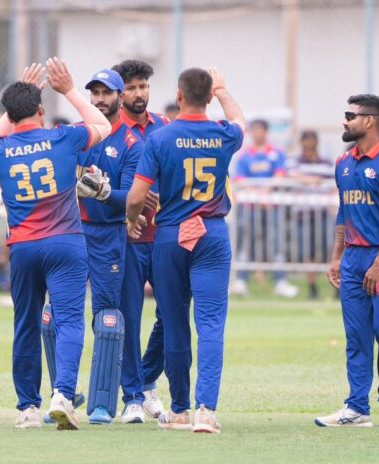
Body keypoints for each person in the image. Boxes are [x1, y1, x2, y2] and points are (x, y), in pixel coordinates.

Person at [0, 59, 111, 430]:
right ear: (41, 111)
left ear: (9, 115)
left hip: (23, 247)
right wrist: (68, 89)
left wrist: (19, 95)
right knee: (69, 320)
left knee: (25, 324)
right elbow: (103, 125)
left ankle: (27, 407)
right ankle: (63, 395)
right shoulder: (62, 137)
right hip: (65, 243)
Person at [126, 67, 245, 433]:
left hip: (171, 235)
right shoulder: (223, 133)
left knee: (174, 320)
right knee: (210, 324)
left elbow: (137, 195)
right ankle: (206, 411)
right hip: (211, 233)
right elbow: (239, 120)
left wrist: (132, 220)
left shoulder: (160, 138)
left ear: (178, 96)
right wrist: (222, 89)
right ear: (208, 98)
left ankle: (179, 409)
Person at [76, 68, 143, 425]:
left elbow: (131, 196)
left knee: (108, 318)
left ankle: (106, 402)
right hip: (70, 233)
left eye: (106, 93)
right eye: (95, 93)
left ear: (119, 97)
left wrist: (102, 192)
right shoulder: (79, 135)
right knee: (54, 316)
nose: (100, 99)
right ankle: (63, 394)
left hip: (108, 235)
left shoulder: (130, 142)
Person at [315, 94, 379, 428]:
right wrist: (336, 257)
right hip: (353, 259)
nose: (345, 121)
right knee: (356, 336)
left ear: (369, 121)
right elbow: (344, 210)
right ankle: (357, 407)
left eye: (350, 115)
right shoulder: (343, 162)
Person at [112, 59, 169, 418]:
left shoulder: (164, 127)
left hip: (164, 237)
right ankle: (132, 397)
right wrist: (131, 198)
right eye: (131, 87)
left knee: (173, 314)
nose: (138, 93)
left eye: (143, 86)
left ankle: (147, 379)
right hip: (127, 238)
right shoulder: (111, 130)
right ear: (120, 93)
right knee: (129, 319)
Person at [231, 119, 299, 298]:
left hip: (272, 207)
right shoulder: (245, 155)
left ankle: (280, 281)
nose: (256, 133)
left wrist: (265, 192)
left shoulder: (277, 153)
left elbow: (280, 175)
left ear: (266, 132)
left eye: (259, 130)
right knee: (246, 241)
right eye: (253, 130)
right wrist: (257, 194)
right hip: (249, 207)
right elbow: (240, 179)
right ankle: (241, 280)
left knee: (276, 242)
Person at [288, 130, 334, 299]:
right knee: (309, 252)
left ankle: (336, 283)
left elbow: (334, 182)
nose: (309, 144)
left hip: (324, 212)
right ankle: (312, 286)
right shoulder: (295, 161)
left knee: (331, 249)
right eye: (306, 141)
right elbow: (291, 175)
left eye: (311, 140)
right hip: (303, 214)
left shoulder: (326, 162)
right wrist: (313, 180)